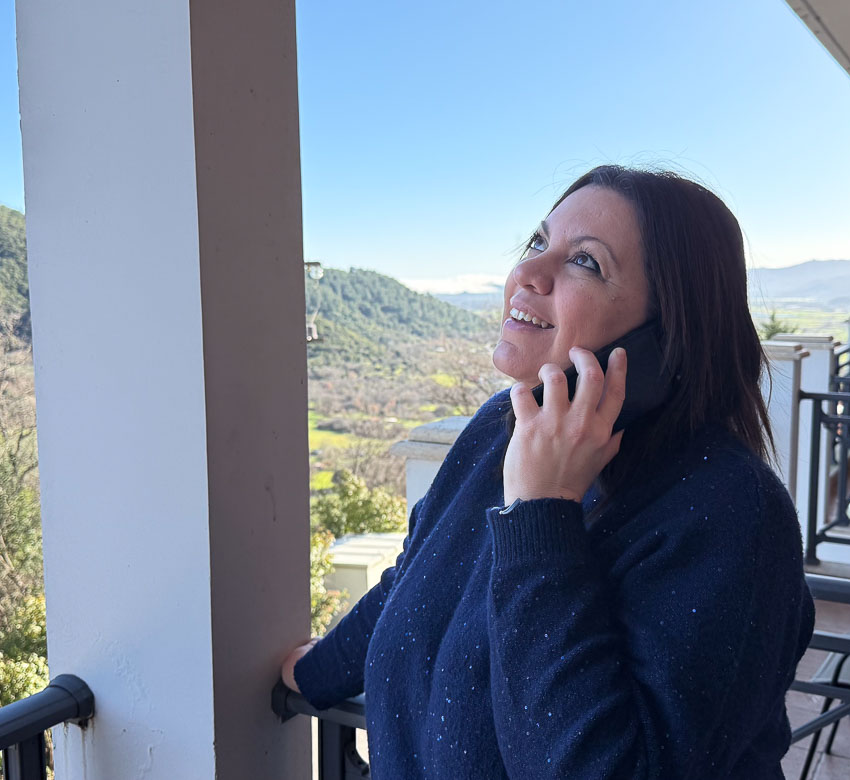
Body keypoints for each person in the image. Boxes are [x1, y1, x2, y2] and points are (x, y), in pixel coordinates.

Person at [283, 165, 815, 778]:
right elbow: (419, 578)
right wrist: (313, 673)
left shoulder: (731, 514)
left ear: (668, 334)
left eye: (585, 262)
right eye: (538, 241)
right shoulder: (503, 424)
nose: (528, 272)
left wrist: (541, 513)